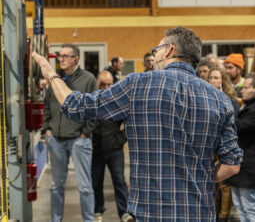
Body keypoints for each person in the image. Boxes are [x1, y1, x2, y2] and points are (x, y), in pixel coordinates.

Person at [33, 26, 243, 221]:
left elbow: (76, 106)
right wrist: (199, 179)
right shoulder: (220, 100)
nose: (155, 56)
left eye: (157, 50)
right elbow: (232, 165)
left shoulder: (138, 85)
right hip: (199, 211)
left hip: (150, 211)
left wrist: (50, 73)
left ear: (169, 50)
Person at [42, 43, 97, 222]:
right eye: (60, 56)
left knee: (85, 187)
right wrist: (47, 129)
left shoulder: (88, 79)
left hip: (79, 140)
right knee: (57, 186)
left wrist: (85, 132)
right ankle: (55, 220)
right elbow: (47, 106)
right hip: (56, 139)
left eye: (66, 56)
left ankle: (88, 219)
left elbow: (95, 108)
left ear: (76, 59)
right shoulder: (55, 80)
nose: (61, 59)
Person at [224, 72, 255, 222]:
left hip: (249, 166)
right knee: (240, 205)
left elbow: (238, 126)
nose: (241, 90)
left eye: (246, 88)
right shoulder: (249, 106)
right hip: (241, 163)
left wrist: (223, 107)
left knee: (250, 206)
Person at [91, 70, 133, 222]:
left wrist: (119, 140)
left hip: (115, 150)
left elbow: (129, 123)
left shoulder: (118, 102)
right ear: (97, 84)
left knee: (120, 181)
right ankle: (97, 211)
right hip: (96, 150)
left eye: (109, 84)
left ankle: (124, 212)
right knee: (96, 182)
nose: (107, 88)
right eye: (103, 84)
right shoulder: (91, 100)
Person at [208, 66, 240, 222]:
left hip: (224, 144)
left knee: (225, 185)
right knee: (212, 183)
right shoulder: (205, 96)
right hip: (209, 145)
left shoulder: (230, 100)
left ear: (223, 81)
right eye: (211, 77)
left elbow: (234, 126)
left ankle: (223, 216)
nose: (212, 80)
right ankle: (213, 213)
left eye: (216, 78)